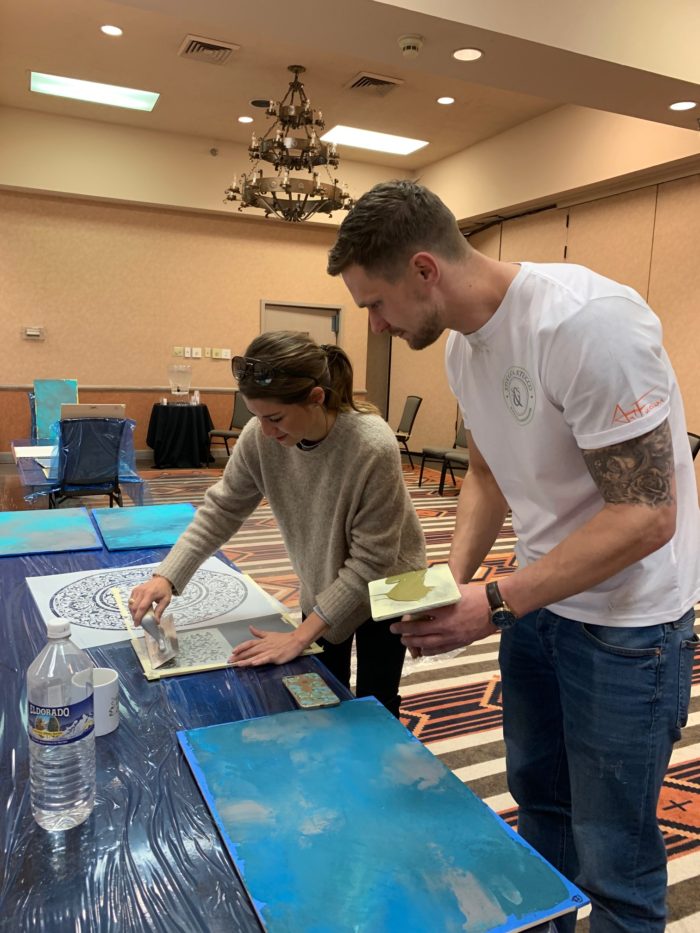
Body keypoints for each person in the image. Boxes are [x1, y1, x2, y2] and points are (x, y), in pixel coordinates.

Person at [327, 180, 700, 932]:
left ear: (425, 270)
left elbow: (647, 516)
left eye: (376, 303)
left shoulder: (587, 323)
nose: (375, 324)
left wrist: (496, 602)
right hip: (537, 610)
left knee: (615, 855)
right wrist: (450, 581)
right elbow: (486, 475)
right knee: (541, 813)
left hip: (627, 630)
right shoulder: (463, 349)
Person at [128, 331, 425, 717]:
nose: (265, 431)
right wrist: (167, 576)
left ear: (316, 398)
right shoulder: (261, 437)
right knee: (321, 694)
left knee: (378, 701)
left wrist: (299, 636)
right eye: (257, 417)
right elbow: (221, 510)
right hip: (325, 577)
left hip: (392, 581)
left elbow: (372, 561)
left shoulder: (372, 445)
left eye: (275, 418)